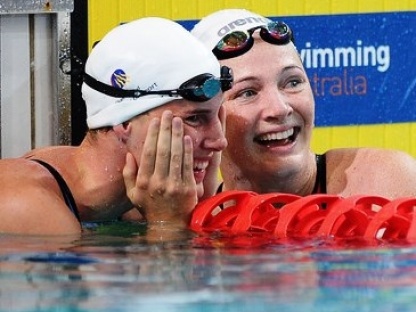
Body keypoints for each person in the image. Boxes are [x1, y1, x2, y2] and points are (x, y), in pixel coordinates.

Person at [0, 17, 231, 235]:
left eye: (216, 116)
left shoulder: (137, 201)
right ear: (123, 121)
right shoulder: (29, 205)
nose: (220, 140)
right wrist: (167, 224)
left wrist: (199, 207)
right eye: (194, 118)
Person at [191, 9, 416, 199]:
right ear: (208, 118)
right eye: (248, 92)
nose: (280, 109)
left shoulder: (384, 184)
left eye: (292, 82)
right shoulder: (191, 217)